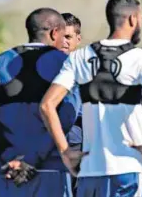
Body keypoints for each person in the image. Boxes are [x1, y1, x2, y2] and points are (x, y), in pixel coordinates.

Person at [40, 0, 142, 197]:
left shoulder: (79, 57)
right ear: (133, 19)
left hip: (90, 170)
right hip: (130, 167)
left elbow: (47, 105)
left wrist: (65, 152)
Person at [0, 8, 80, 197]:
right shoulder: (66, 65)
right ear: (55, 32)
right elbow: (67, 116)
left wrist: (8, 156)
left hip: (8, 172)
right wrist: (32, 158)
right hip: (50, 172)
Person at [60, 12, 83, 195]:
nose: (63, 42)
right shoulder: (41, 70)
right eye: (60, 36)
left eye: (68, 37)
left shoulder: (87, 72)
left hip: (80, 150)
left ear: (78, 39)